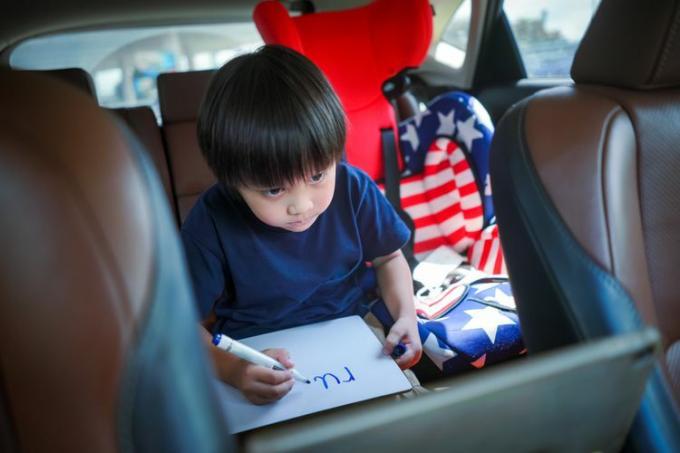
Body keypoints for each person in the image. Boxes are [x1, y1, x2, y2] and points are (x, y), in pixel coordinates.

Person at [182, 44, 422, 405]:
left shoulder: (353, 188)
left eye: (316, 175)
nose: (302, 205)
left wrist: (407, 317)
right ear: (234, 182)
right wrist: (231, 369)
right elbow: (182, 328)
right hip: (254, 352)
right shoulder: (212, 219)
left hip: (353, 334)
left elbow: (389, 258)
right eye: (274, 189)